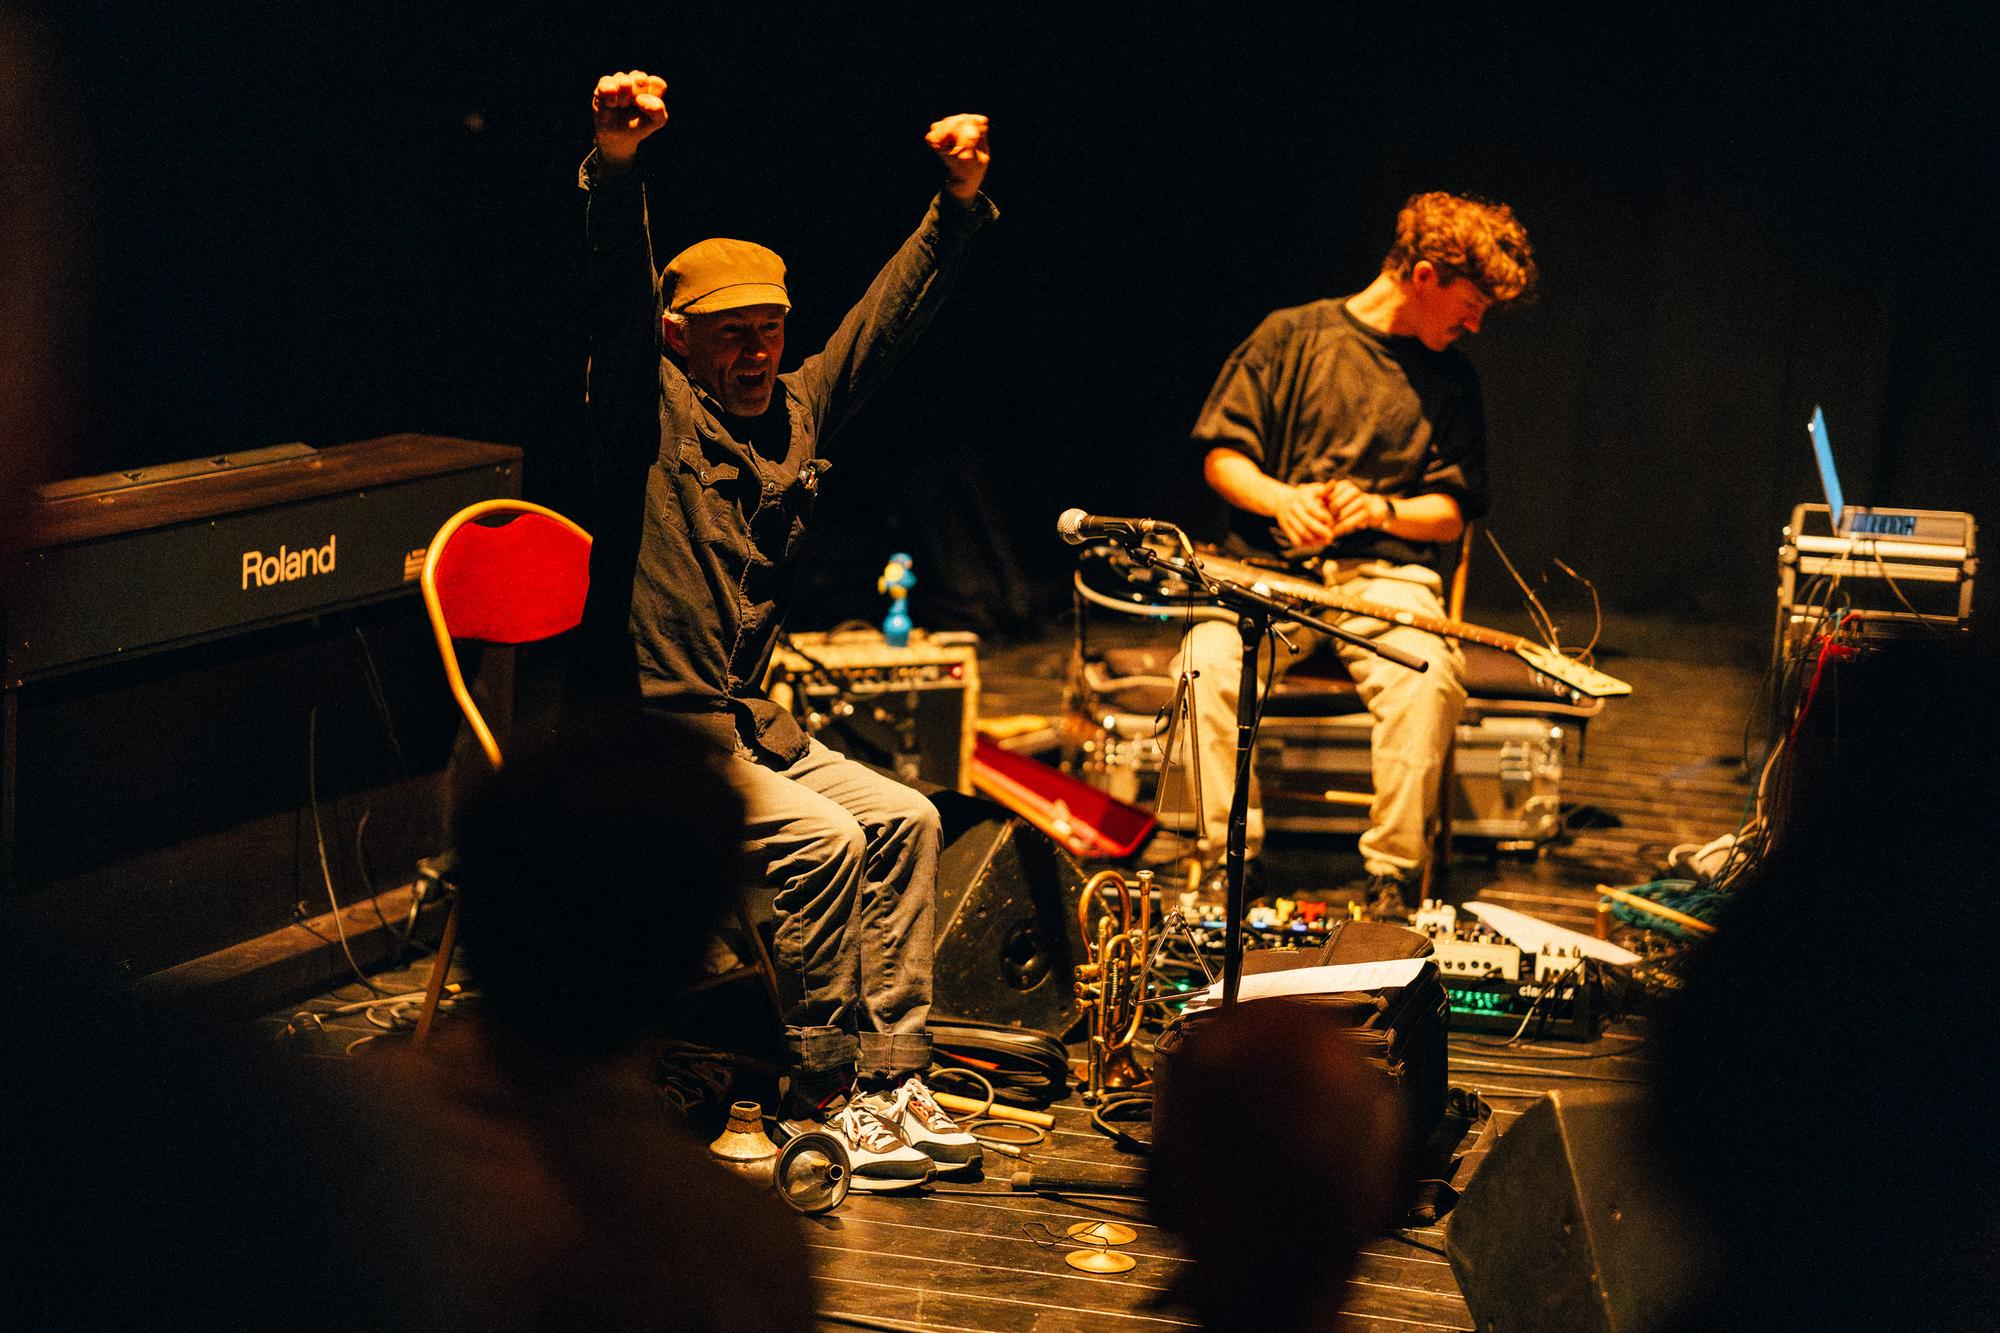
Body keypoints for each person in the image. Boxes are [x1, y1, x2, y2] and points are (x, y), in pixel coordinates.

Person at [578, 69, 994, 1188]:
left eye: (768, 330)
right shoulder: (648, 411)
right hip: (660, 735)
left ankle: (889, 1078)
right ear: (678, 339)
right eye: (730, 336)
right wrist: (617, 164)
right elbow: (614, 286)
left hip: (748, 725)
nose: (757, 352)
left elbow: (884, 322)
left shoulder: (799, 407)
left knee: (906, 816)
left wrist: (953, 206)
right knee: (823, 840)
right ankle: (819, 1092)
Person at [1166, 192, 1536, 917]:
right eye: (1470, 305)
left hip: (1385, 580)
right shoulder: (1291, 335)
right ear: (1423, 277)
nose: (1474, 324)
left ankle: (1393, 875)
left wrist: (1380, 510)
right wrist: (1283, 501)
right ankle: (1228, 864)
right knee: (1203, 664)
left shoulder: (1452, 380)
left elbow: (1451, 513)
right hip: (1269, 576)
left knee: (1428, 676)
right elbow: (1222, 457)